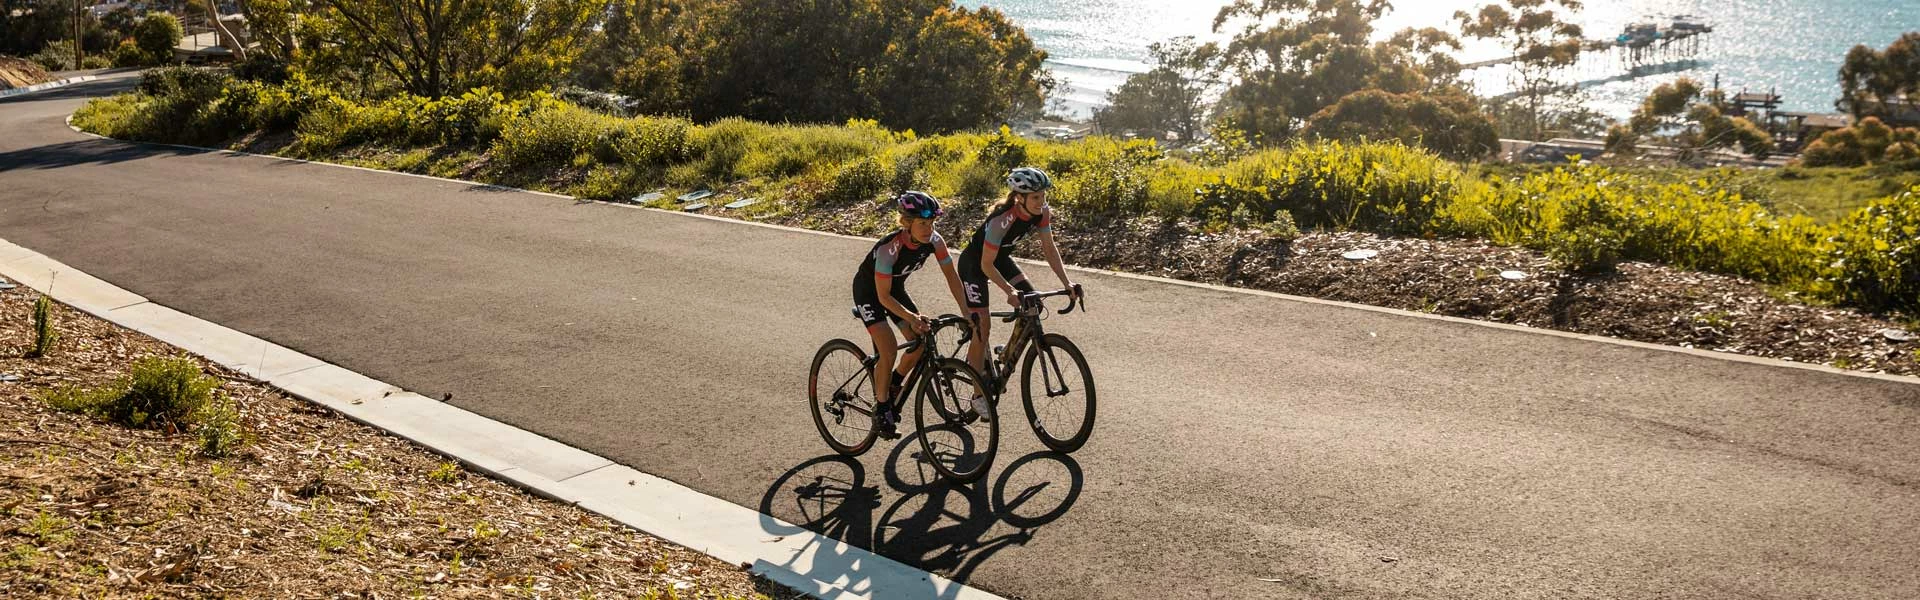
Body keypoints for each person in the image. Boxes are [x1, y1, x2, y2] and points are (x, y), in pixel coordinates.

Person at [958, 167, 1080, 418]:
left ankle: (1007, 352)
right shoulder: (1001, 220)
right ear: (1019, 198)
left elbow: (1049, 249)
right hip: (975, 266)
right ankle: (978, 394)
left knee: (1033, 303)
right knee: (982, 327)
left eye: (1043, 196)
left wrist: (1067, 283)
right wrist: (1009, 290)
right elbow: (985, 265)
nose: (1041, 201)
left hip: (1000, 260)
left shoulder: (1042, 213)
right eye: (1035, 197)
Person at [851, 191, 969, 438]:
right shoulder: (889, 248)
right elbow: (883, 297)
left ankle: (894, 382)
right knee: (889, 348)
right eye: (922, 223)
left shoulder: (935, 241)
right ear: (907, 223)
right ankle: (881, 407)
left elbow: (952, 277)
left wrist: (967, 313)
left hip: (895, 290)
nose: (928, 229)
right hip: (870, 294)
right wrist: (913, 318)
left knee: (920, 340)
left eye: (931, 223)